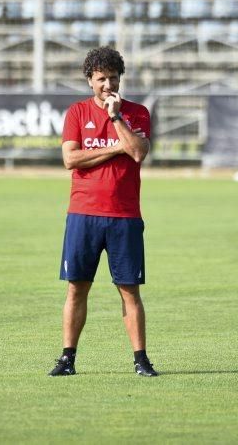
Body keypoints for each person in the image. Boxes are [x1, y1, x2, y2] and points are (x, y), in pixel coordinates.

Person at [48, 47, 157, 377]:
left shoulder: (136, 113)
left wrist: (115, 117)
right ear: (89, 81)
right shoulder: (77, 113)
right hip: (83, 213)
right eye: (100, 79)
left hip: (124, 215)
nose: (107, 84)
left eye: (112, 77)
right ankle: (67, 359)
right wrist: (116, 148)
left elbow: (138, 152)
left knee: (129, 290)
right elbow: (70, 159)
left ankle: (141, 360)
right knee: (76, 288)